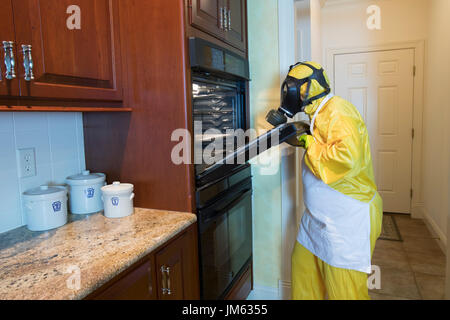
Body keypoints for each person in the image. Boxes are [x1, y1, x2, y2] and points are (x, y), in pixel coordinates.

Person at [269, 61, 383, 300]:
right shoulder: (319, 113)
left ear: (305, 89)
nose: (290, 94)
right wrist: (304, 137)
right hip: (318, 218)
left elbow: (345, 158)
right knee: (303, 270)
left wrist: (308, 142)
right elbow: (325, 145)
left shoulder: (338, 110)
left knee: (345, 291)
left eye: (292, 88)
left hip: (346, 219)